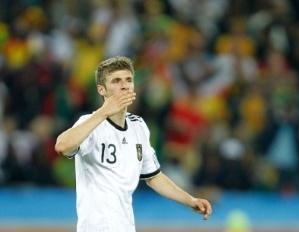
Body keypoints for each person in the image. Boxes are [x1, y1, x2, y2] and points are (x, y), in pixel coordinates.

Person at [55, 56, 212, 232]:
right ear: (101, 89)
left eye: (128, 80)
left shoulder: (138, 126)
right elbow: (62, 145)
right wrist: (104, 111)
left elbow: (154, 176)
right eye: (116, 81)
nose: (124, 85)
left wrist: (190, 200)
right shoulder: (90, 123)